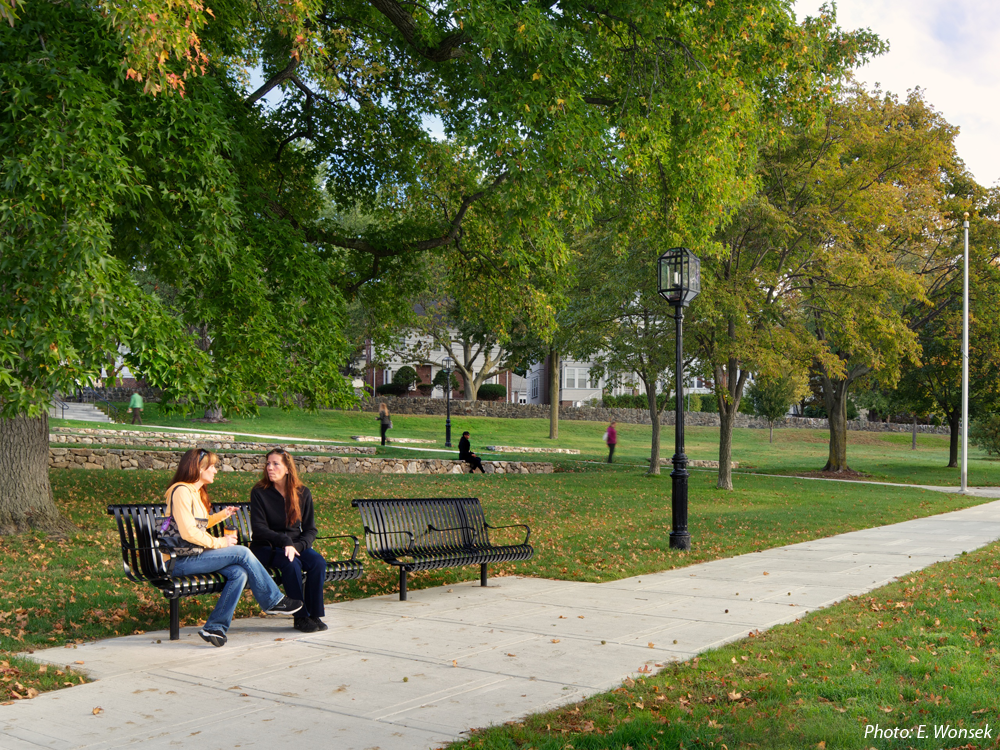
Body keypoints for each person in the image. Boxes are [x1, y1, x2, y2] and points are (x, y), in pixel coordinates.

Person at [165, 448, 303, 647]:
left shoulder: (193, 492)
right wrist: (221, 542)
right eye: (211, 466)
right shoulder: (181, 491)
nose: (215, 471)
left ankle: (215, 627)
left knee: (239, 573)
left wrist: (221, 515)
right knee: (242, 552)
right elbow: (188, 533)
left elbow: (196, 525)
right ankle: (273, 600)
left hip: (194, 555)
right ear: (198, 468)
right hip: (178, 561)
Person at [250, 449, 329, 633]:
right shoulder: (260, 492)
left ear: (287, 469)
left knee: (318, 562)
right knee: (291, 563)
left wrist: (297, 545)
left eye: (276, 463)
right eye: (268, 463)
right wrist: (285, 541)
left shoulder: (303, 493)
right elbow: (260, 529)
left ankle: (314, 614)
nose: (270, 467)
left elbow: (310, 529)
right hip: (267, 546)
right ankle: (300, 616)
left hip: (295, 545)